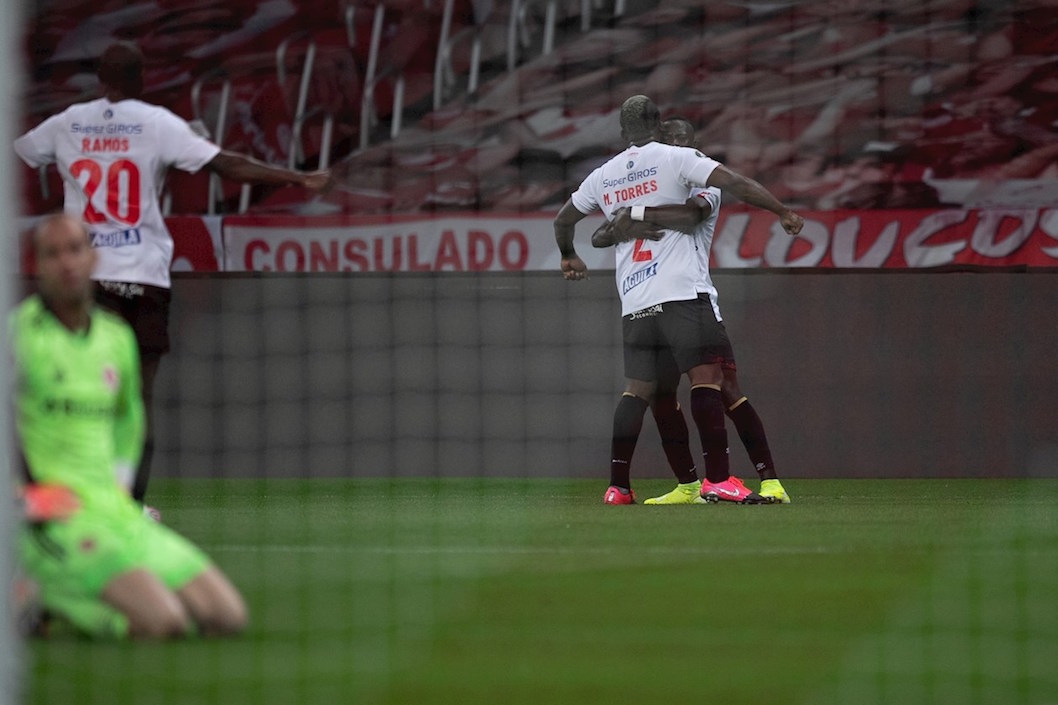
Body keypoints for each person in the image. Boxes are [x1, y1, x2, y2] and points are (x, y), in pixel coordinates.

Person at [13, 41, 332, 511]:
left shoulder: (67, 122)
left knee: (69, 388)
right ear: (140, 78)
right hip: (141, 278)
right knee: (134, 400)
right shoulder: (157, 122)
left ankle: (53, 495)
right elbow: (226, 165)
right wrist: (297, 178)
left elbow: (20, 153)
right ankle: (128, 505)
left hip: (83, 280)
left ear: (99, 78)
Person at [554, 95, 803, 505]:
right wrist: (781, 211)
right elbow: (733, 184)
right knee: (697, 385)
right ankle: (706, 481)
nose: (681, 145)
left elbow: (685, 217)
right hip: (682, 295)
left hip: (636, 302)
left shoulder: (610, 175)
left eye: (686, 141)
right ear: (658, 130)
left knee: (656, 390)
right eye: (673, 137)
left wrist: (614, 226)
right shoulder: (676, 163)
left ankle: (625, 487)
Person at [12, 214, 247, 639]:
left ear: (93, 257)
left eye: (74, 250)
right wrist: (20, 496)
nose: (66, 262)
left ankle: (49, 594)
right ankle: (39, 589)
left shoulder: (116, 337)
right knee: (166, 622)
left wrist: (121, 482)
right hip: (59, 521)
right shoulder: (18, 336)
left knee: (226, 617)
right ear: (39, 265)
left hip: (115, 513)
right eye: (52, 253)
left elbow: (129, 417)